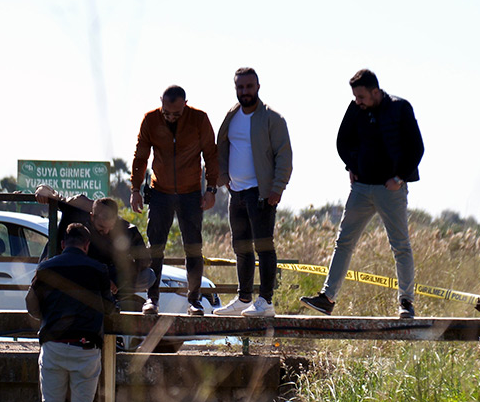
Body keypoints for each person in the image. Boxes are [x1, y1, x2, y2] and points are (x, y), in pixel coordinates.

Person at [301, 69, 424, 318]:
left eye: (361, 96)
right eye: (355, 97)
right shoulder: (356, 109)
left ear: (375, 92)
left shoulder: (400, 109)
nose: (357, 101)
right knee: (344, 242)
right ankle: (328, 298)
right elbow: (342, 141)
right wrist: (352, 166)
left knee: (400, 246)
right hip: (361, 189)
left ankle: (406, 303)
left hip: (391, 190)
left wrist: (400, 177)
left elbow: (416, 147)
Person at [26, 223, 115, 402]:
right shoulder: (98, 270)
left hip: (53, 346)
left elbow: (32, 306)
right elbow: (110, 310)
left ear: (63, 244)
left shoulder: (45, 268)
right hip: (86, 348)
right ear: (86, 246)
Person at [130, 85, 219, 316]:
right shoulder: (150, 120)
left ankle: (195, 301)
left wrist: (211, 189)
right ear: (161, 103)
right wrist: (135, 189)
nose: (170, 117)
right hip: (160, 191)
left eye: (176, 113)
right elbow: (141, 155)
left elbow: (211, 154)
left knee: (193, 247)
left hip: (190, 192)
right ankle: (152, 299)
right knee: (155, 246)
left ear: (185, 104)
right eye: (166, 112)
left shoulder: (199, 119)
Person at [213, 67, 293, 318]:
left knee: (264, 246)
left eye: (249, 87)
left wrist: (277, 188)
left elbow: (284, 155)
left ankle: (266, 301)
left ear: (258, 87)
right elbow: (221, 147)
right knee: (241, 247)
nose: (244, 91)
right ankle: (243, 297)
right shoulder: (231, 116)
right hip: (236, 192)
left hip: (261, 192)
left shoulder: (272, 118)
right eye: (240, 87)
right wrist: (224, 178)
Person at [34, 185, 153, 311]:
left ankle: (106, 298)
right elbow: (53, 194)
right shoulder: (77, 207)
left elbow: (144, 260)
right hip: (68, 265)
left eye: (110, 227)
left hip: (97, 273)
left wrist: (112, 280)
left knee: (148, 275)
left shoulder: (126, 229)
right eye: (101, 227)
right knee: (47, 268)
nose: (105, 231)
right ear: (91, 216)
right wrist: (42, 190)